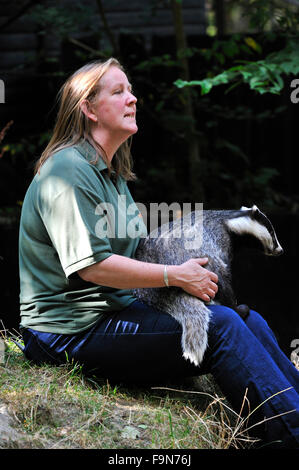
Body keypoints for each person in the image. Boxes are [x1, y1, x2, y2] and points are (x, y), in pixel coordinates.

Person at [19, 58, 299, 449]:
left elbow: (137, 251)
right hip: (66, 332)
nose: (132, 99)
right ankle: (290, 435)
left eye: (130, 90)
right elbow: (93, 268)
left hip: (113, 313)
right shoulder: (67, 171)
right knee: (221, 326)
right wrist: (175, 276)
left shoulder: (110, 174)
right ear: (88, 108)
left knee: (246, 319)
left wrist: (190, 263)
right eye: (118, 92)